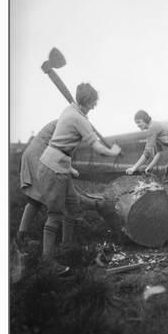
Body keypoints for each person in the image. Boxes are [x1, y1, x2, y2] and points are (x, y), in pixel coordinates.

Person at [37, 83, 121, 274]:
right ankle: (47, 262)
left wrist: (70, 168)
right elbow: (96, 147)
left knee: (73, 207)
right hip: (53, 168)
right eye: (93, 103)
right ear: (87, 101)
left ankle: (67, 247)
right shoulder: (78, 118)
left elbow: (63, 143)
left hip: (60, 165)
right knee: (55, 215)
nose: (94, 106)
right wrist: (112, 151)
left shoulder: (70, 110)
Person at [15, 119, 102, 248]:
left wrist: (69, 169)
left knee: (36, 200)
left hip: (36, 154)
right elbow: (59, 150)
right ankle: (65, 246)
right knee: (67, 199)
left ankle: (21, 237)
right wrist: (70, 170)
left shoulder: (68, 121)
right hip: (40, 156)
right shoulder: (70, 124)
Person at [126, 110, 168, 224]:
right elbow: (159, 153)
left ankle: (166, 216)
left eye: (139, 122)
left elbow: (147, 152)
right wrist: (149, 167)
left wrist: (134, 167)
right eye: (136, 124)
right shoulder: (156, 128)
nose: (138, 126)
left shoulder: (152, 127)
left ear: (146, 119)